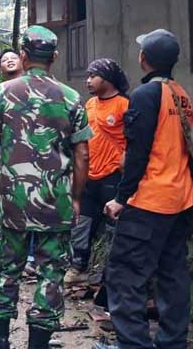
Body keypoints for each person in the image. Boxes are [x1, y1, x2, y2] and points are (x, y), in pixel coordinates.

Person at [0, 26, 92, 349]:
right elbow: (82, 154)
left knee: (6, 267)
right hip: (54, 200)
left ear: (24, 56)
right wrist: (75, 197)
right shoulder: (71, 98)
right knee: (51, 272)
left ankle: (0, 340)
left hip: (13, 198)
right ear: (54, 58)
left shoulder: (3, 93)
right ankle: (39, 343)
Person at [95, 30, 193, 349]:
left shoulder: (145, 95)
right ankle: (172, 342)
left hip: (150, 200)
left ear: (144, 58)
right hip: (181, 199)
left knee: (125, 276)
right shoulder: (180, 94)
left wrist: (120, 198)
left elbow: (137, 152)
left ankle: (133, 344)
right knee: (172, 273)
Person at [65, 58, 130, 288]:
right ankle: (78, 267)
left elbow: (135, 139)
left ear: (108, 78)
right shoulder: (90, 104)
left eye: (93, 76)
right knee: (82, 223)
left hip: (113, 176)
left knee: (114, 230)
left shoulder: (124, 105)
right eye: (88, 76)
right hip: (89, 175)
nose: (88, 81)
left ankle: (110, 276)